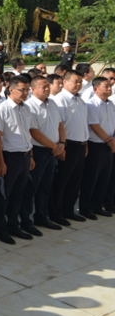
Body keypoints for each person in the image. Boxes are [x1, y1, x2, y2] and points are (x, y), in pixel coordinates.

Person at [0, 75, 35, 245]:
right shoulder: (2, 109)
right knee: (3, 195)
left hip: (24, 156)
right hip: (9, 157)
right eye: (22, 90)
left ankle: (13, 225)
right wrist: (0, 162)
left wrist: (30, 155)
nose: (25, 93)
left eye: (27, 89)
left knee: (18, 194)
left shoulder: (26, 108)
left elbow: (27, 133)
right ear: (11, 90)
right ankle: (0, 229)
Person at [22, 76, 65, 232]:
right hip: (38, 151)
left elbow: (59, 124)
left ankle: (42, 217)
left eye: (48, 86)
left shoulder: (52, 103)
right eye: (43, 87)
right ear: (33, 89)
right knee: (31, 188)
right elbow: (34, 132)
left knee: (46, 186)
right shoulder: (29, 106)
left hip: (53, 151)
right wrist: (55, 146)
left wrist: (62, 144)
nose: (47, 89)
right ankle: (26, 221)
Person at [49, 69, 89, 225]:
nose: (78, 84)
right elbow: (59, 125)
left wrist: (85, 143)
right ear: (65, 81)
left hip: (80, 144)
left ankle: (68, 210)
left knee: (75, 181)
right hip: (68, 145)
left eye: (80, 82)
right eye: (75, 81)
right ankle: (56, 213)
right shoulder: (60, 100)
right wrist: (62, 145)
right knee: (62, 181)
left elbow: (82, 124)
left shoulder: (80, 100)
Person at [80, 76, 115, 219]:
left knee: (104, 178)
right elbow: (95, 126)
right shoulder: (91, 105)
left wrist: (113, 140)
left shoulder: (110, 104)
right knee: (91, 177)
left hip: (109, 145)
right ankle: (86, 208)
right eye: (106, 86)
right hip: (97, 145)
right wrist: (110, 141)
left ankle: (98, 206)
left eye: (110, 86)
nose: (109, 88)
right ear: (95, 89)